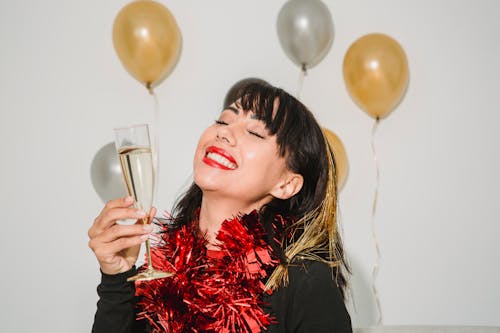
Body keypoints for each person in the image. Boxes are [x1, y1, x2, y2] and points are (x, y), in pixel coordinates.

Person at [88, 81, 352, 332]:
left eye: (254, 132)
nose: (223, 132)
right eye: (223, 120)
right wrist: (116, 279)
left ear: (286, 184)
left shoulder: (305, 280)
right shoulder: (162, 274)